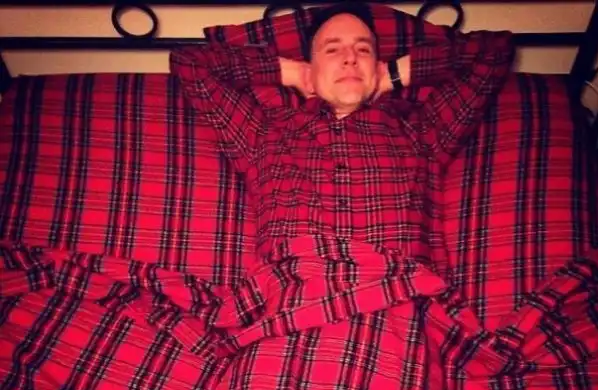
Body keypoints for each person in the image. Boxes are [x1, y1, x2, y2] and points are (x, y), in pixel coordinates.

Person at [170, 2, 515, 279]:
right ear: (311, 67)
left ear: (378, 65)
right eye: (332, 50)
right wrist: (291, 72)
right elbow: (190, 63)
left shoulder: (423, 131)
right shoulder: (264, 134)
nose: (350, 58)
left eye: (363, 50)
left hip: (395, 307)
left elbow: (494, 51)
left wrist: (395, 74)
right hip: (292, 308)